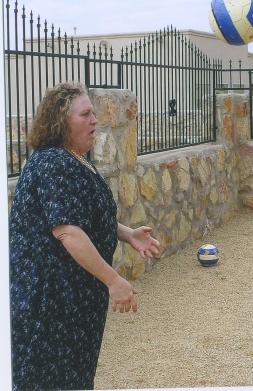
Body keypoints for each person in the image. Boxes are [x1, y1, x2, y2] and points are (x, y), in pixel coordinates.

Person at [9, 82, 160, 390]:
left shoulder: (77, 158)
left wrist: (129, 234)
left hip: (73, 303)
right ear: (62, 123)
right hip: (48, 304)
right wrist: (114, 281)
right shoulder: (54, 163)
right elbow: (68, 232)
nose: (95, 120)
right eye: (86, 114)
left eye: (94, 113)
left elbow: (83, 218)